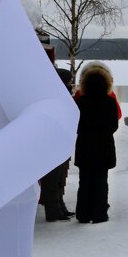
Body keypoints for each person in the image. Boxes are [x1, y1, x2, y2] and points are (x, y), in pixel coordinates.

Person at [74, 62, 119, 224]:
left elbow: (75, 125)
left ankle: (83, 214)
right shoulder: (110, 102)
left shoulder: (81, 102)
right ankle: (99, 213)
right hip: (104, 146)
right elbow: (114, 125)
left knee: (85, 181)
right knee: (101, 181)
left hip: (85, 146)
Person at [38, 67, 75, 221]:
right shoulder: (57, 98)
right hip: (53, 143)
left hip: (61, 142)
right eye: (70, 82)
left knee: (58, 178)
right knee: (52, 180)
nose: (73, 85)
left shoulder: (60, 96)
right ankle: (53, 211)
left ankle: (60, 208)